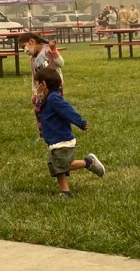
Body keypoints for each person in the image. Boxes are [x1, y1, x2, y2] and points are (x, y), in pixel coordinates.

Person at [33, 67, 104, 197]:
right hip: (54, 140)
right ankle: (65, 192)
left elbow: (68, 111)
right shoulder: (47, 99)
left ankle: (89, 162)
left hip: (62, 139)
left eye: (36, 84)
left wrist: (80, 122)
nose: (35, 88)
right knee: (56, 166)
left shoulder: (54, 99)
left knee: (62, 165)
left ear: (43, 85)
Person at [19, 32, 65, 142]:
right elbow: (34, 78)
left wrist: (54, 51)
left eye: (24, 47)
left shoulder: (48, 51)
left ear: (31, 42)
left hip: (55, 88)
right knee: (39, 111)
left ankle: (61, 132)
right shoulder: (33, 60)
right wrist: (34, 93)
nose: (25, 50)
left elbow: (61, 63)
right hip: (41, 90)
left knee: (56, 109)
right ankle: (44, 134)